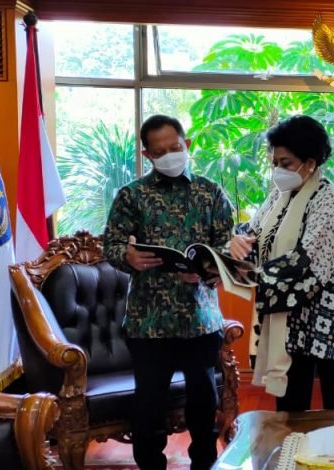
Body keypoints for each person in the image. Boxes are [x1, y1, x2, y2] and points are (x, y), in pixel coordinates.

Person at [103, 114, 234, 470]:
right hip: (149, 321)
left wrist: (209, 269)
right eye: (159, 152)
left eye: (174, 147)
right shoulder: (132, 195)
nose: (169, 155)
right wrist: (127, 256)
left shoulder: (210, 192)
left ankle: (204, 463)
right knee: (149, 405)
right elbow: (110, 244)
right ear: (147, 155)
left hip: (200, 318)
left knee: (204, 402)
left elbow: (229, 247)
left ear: (186, 144)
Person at [229, 115, 334, 412]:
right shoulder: (280, 196)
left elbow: (305, 264)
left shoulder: (329, 200)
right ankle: (290, 444)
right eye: (275, 163)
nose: (278, 170)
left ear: (310, 163)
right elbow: (254, 232)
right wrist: (235, 245)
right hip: (292, 312)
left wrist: (249, 273)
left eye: (286, 163)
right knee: (291, 406)